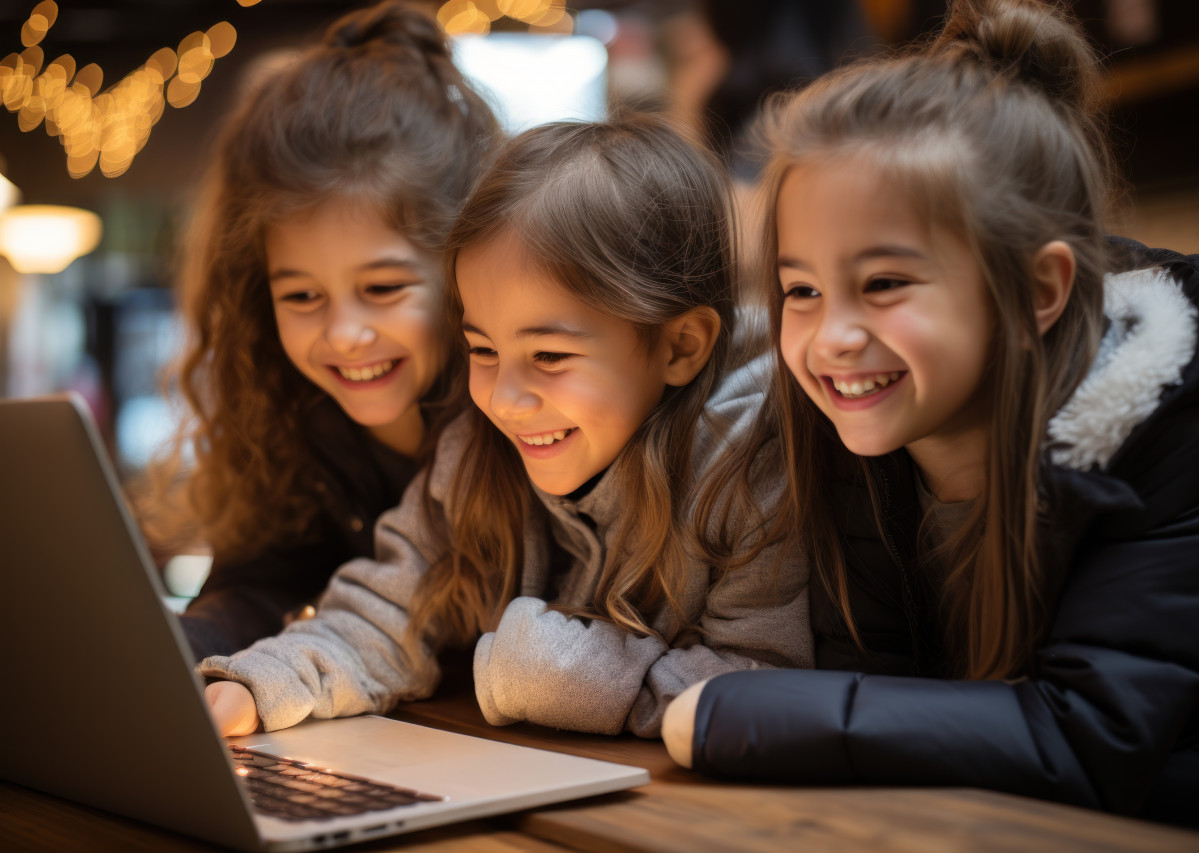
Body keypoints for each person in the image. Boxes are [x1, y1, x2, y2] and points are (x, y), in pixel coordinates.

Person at [661, 0, 1199, 838]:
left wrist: (738, 710)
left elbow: (1087, 740)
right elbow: (884, 691)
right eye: (801, 289)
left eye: (883, 284)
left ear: (1037, 291)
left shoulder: (1164, 432)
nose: (831, 337)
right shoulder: (850, 436)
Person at [198, 116, 813, 740]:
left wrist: (564, 678)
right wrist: (260, 682)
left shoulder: (750, 465)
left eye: (549, 356)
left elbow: (758, 677)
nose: (506, 400)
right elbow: (385, 614)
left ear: (680, 346)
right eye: (483, 351)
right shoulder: (473, 449)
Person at [139, 1, 499, 660]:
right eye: (302, 295)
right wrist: (165, 652)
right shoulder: (290, 411)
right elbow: (259, 583)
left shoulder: (522, 410)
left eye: (383, 289)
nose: (345, 334)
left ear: (460, 267)